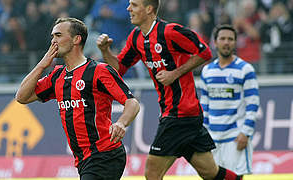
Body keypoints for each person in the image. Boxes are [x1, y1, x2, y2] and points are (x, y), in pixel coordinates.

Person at [96, 0, 242, 179]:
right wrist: (105, 51)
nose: (128, 9)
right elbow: (119, 69)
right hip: (182, 114)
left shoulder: (170, 31)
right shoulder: (135, 37)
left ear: (149, 9)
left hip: (179, 113)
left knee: (152, 173)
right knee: (210, 172)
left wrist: (175, 73)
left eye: (134, 5)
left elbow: (204, 52)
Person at [15, 17, 140, 180]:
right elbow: (22, 97)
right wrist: (41, 65)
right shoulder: (57, 76)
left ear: (76, 39)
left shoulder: (99, 71)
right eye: (53, 36)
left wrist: (121, 123)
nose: (53, 41)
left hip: (105, 154)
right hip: (83, 160)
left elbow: (132, 102)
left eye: (58, 35)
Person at [199, 24, 260, 177]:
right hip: (212, 139)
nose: (226, 42)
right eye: (223, 39)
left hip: (235, 137)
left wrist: (246, 133)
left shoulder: (245, 69)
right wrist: (204, 133)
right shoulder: (207, 71)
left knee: (235, 177)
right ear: (215, 42)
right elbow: (204, 105)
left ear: (235, 42)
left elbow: (252, 104)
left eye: (230, 39)